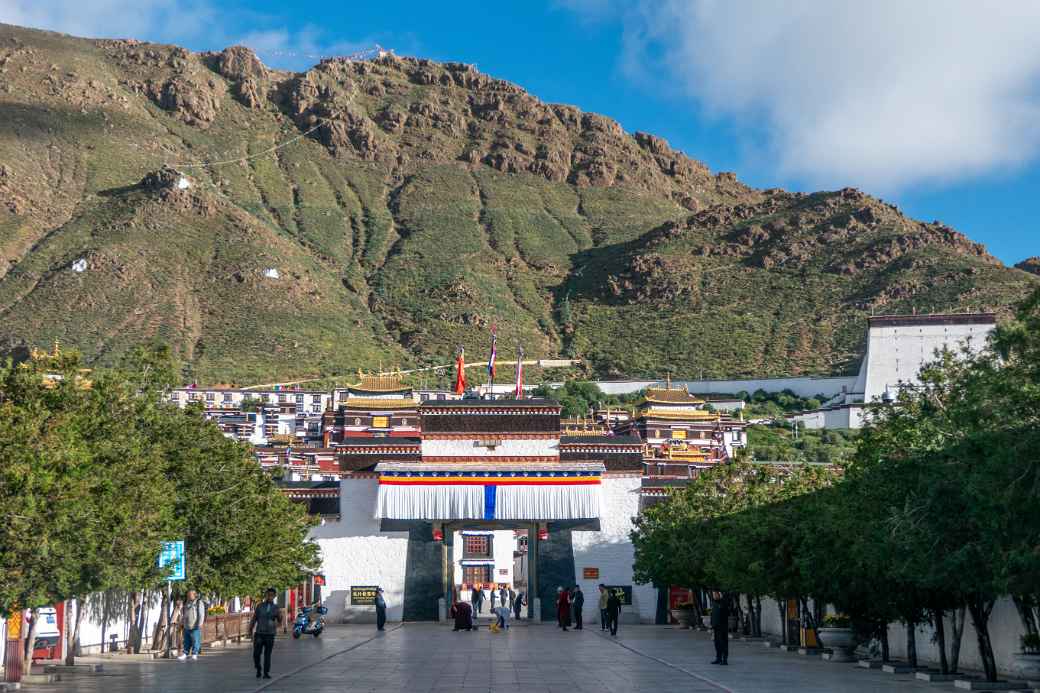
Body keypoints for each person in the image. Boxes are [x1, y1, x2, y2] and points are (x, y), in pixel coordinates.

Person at [249, 588, 282, 680]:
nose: (269, 597)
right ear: (266, 595)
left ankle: (266, 672)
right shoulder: (260, 606)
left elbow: (280, 621)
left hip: (270, 635)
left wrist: (277, 621)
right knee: (256, 654)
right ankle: (258, 668)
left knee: (267, 655)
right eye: (268, 595)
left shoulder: (276, 608)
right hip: (259, 633)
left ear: (274, 596)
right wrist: (250, 629)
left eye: (272, 595)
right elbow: (254, 618)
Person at [178, 589, 206, 661]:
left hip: (195, 625)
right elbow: (184, 613)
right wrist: (182, 622)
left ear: (194, 595)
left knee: (195, 640)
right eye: (188, 594)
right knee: (186, 640)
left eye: (190, 594)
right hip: (186, 625)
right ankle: (185, 654)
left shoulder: (199, 602)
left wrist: (200, 623)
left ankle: (194, 654)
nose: (189, 596)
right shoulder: (186, 602)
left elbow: (201, 614)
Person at [710, 591, 730, 665]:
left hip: (722, 627)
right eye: (714, 594)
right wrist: (711, 625)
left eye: (716, 594)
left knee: (723, 643)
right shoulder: (714, 603)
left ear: (720, 595)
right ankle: (718, 658)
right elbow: (712, 615)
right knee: (717, 643)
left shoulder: (723, 603)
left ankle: (724, 660)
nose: (714, 596)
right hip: (715, 627)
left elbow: (726, 614)